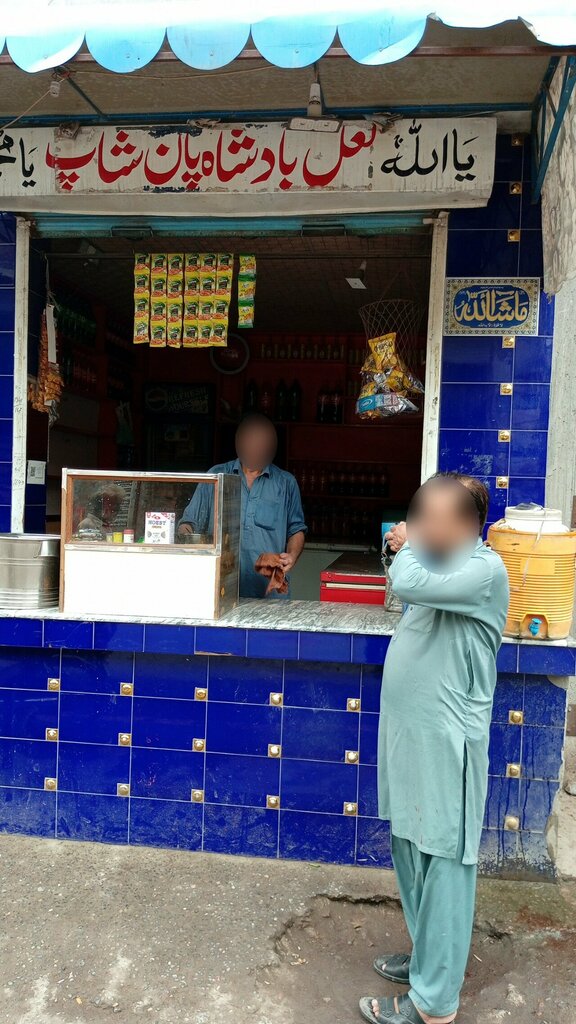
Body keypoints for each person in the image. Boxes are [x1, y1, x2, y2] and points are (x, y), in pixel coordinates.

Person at [359, 472, 510, 1024]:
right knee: (410, 844)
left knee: (445, 858)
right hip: (408, 736)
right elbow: (403, 591)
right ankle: (429, 959)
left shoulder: (483, 569)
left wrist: (404, 548)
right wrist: (402, 551)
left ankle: (433, 1003)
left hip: (449, 742)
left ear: (469, 524)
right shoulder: (434, 563)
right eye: (417, 511)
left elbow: (412, 585)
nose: (420, 522)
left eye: (432, 514)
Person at [178, 414, 307, 598]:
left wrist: (292, 555)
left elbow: (296, 529)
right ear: (240, 443)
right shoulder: (217, 475)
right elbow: (189, 523)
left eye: (262, 444)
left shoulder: (286, 483)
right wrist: (188, 540)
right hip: (220, 591)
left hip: (270, 594)